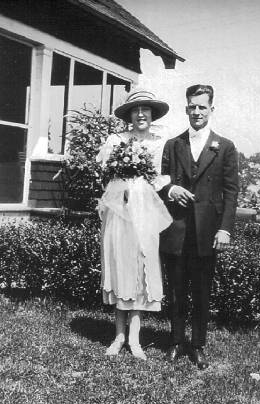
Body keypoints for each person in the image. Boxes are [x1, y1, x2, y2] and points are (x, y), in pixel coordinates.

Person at [159, 84, 239, 369]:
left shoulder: (225, 147)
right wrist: (171, 190)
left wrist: (225, 228)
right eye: (192, 106)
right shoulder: (173, 144)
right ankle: (177, 341)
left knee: (202, 290)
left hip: (207, 231)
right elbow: (160, 181)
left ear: (211, 109)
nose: (197, 112)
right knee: (177, 289)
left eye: (202, 107)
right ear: (186, 109)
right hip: (177, 228)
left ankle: (198, 345)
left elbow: (231, 192)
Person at [96, 89, 172, 361]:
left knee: (142, 267)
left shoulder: (160, 142)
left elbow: (162, 178)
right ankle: (118, 335)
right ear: (129, 115)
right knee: (121, 265)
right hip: (120, 211)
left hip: (145, 211)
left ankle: (135, 338)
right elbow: (106, 176)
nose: (141, 114)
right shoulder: (116, 140)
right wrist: (123, 186)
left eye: (146, 109)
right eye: (136, 110)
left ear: (152, 114)